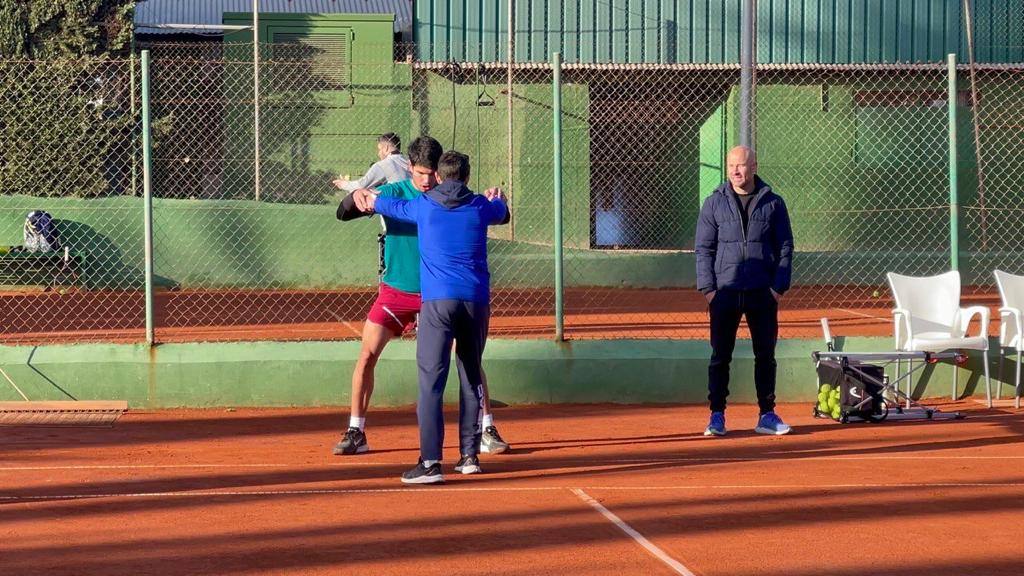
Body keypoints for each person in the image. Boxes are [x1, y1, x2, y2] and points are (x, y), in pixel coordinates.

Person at [334, 137, 510, 457]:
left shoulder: (456, 198)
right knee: (367, 355)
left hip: (439, 295)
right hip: (397, 292)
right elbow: (343, 213)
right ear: (409, 169)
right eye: (420, 173)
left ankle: (486, 428)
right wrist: (355, 195)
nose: (426, 180)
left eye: (432, 173)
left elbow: (493, 211)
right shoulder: (395, 193)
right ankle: (356, 430)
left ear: (441, 172)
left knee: (470, 361)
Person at [695, 145, 794, 437]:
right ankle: (717, 416)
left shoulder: (773, 203)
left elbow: (785, 247)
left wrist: (778, 288)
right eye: (731, 166)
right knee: (719, 356)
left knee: (765, 355)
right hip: (724, 293)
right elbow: (703, 249)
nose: (736, 171)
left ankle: (767, 414)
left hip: (762, 293)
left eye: (741, 166)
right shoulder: (713, 204)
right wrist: (709, 290)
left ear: (754, 167)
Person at [332, 133, 410, 192]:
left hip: (396, 209)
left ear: (386, 148)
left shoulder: (384, 164)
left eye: (379, 149)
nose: (378, 153)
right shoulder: (409, 161)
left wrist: (344, 184)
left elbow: (361, 185)